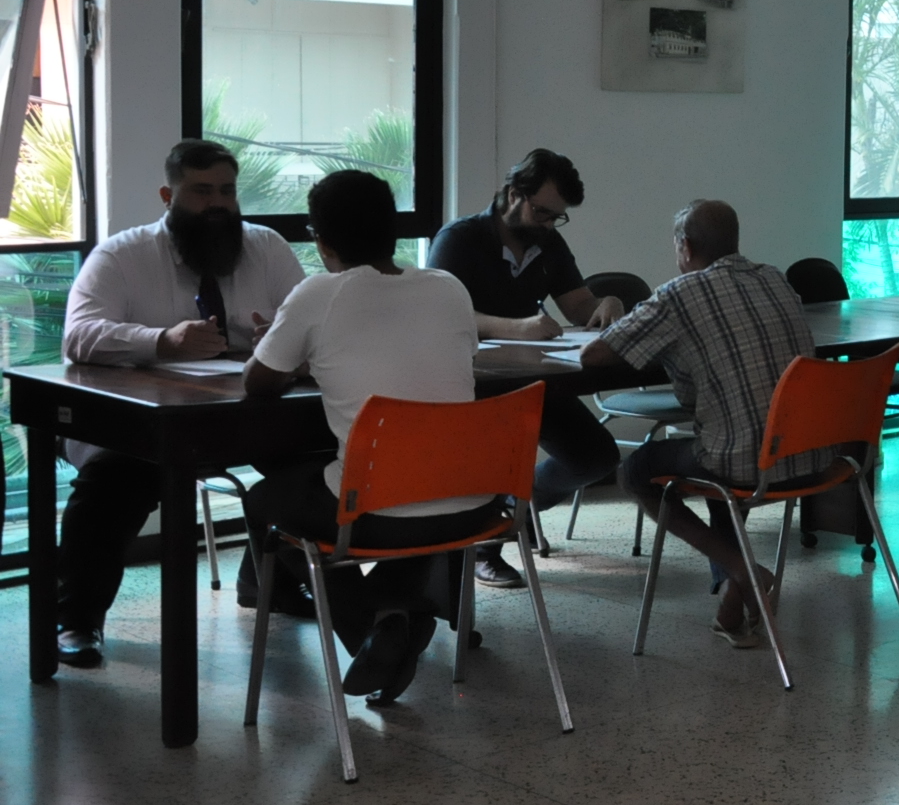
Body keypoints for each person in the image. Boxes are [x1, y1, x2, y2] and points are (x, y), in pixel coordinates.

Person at [54, 140, 309, 670]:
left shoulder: (265, 247)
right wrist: (161, 341)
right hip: (145, 421)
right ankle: (76, 618)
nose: (217, 204)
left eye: (227, 191)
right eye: (201, 192)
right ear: (168, 196)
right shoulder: (122, 255)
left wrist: (285, 339)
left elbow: (311, 323)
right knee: (114, 480)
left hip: (242, 411)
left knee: (311, 460)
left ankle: (274, 583)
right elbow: (78, 335)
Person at [242, 171, 494, 704]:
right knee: (409, 490)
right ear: (394, 229)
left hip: (380, 509)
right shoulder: (448, 287)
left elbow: (258, 382)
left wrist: (298, 349)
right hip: (476, 503)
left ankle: (372, 631)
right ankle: (401, 611)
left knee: (265, 500)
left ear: (320, 241)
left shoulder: (318, 294)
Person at [579, 200, 819, 647]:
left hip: (745, 461)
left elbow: (594, 355)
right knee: (722, 462)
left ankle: (744, 571)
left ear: (685, 246)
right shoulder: (775, 279)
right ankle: (732, 602)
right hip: (813, 454)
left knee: (635, 472)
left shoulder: (679, 294)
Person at [427, 148, 626, 588]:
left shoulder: (547, 241)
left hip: (535, 379)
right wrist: (516, 327)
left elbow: (579, 305)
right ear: (514, 193)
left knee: (596, 456)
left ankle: (518, 512)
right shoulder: (460, 239)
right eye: (542, 212)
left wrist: (606, 303)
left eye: (558, 217)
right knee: (499, 458)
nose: (549, 224)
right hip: (474, 384)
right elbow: (442, 313)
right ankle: (485, 546)